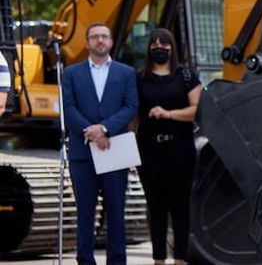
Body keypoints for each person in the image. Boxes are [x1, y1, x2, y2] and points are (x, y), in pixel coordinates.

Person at [62, 21, 139, 265]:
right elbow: (68, 107)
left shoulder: (126, 73)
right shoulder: (70, 73)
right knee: (85, 212)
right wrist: (92, 132)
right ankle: (85, 260)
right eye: (94, 37)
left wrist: (104, 128)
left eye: (104, 36)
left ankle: (117, 261)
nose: (100, 40)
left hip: (114, 151)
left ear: (111, 41)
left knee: (116, 212)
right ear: (87, 43)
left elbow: (131, 106)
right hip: (82, 154)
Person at [135, 28, 201, 265]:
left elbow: (196, 110)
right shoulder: (139, 78)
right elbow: (133, 116)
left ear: (173, 48)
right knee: (156, 206)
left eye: (165, 44)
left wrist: (168, 114)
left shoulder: (185, 76)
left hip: (180, 149)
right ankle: (159, 259)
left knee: (180, 206)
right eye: (154, 43)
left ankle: (180, 259)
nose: (159, 47)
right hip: (149, 150)